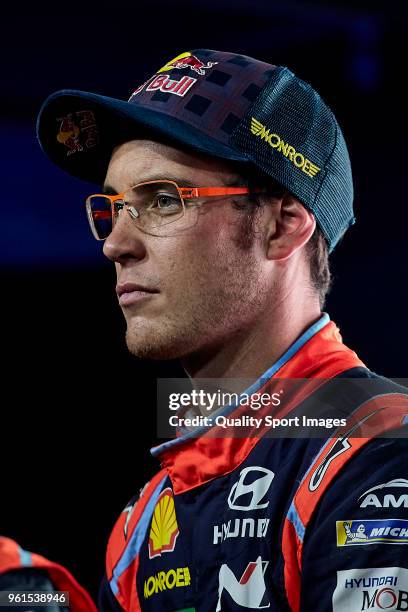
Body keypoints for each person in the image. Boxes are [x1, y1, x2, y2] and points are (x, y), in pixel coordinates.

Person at [36, 49, 408, 611]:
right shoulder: (140, 525)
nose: (116, 245)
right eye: (113, 208)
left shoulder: (379, 454)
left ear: (283, 226)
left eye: (162, 200)